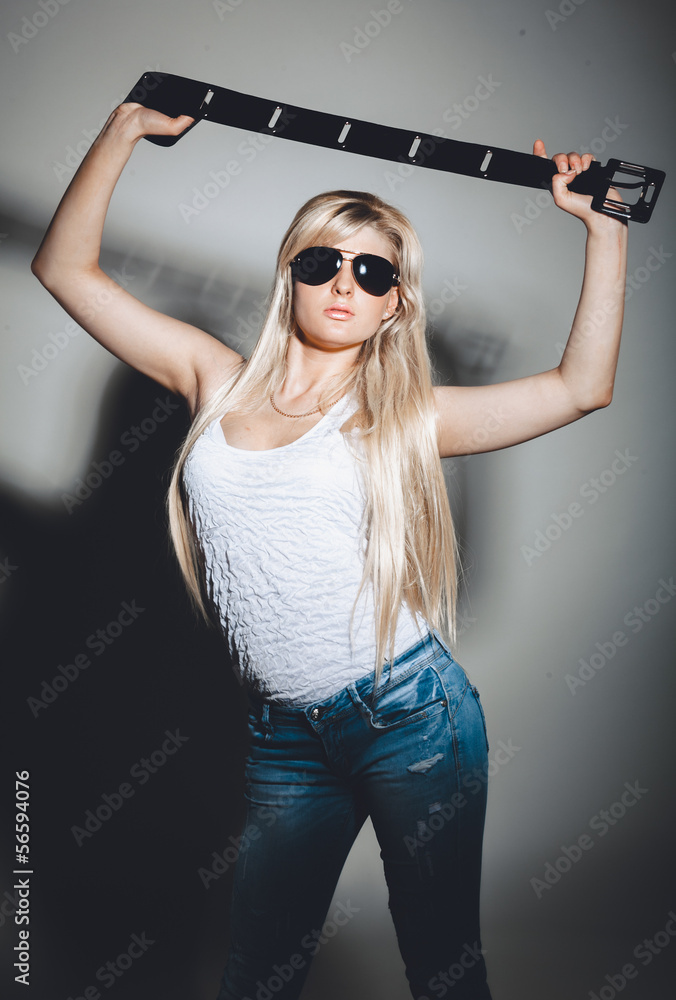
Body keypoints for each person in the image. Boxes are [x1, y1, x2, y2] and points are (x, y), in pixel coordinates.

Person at [31, 101, 628, 1000]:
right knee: (256, 973)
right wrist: (123, 133)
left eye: (372, 270)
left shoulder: (400, 417)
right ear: (290, 277)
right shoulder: (213, 379)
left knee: (441, 966)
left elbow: (582, 388)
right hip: (284, 734)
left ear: (395, 304)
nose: (344, 282)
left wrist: (603, 230)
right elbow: (63, 269)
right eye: (322, 261)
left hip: (410, 719)